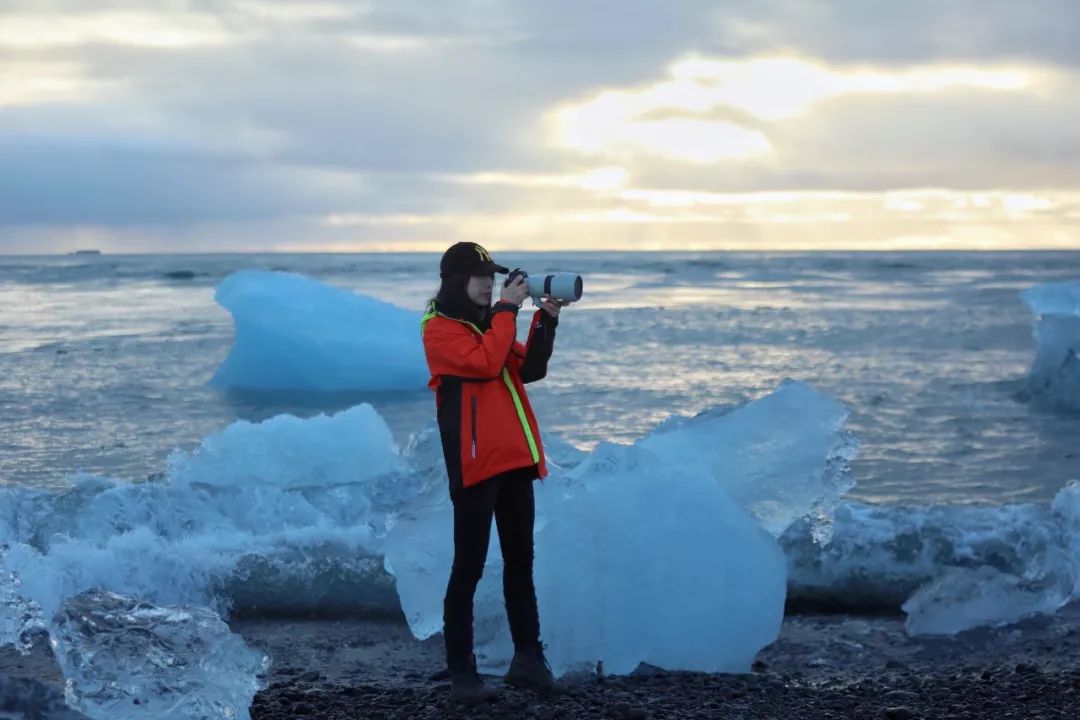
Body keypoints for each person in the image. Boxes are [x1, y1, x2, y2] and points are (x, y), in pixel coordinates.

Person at [420, 242, 568, 703]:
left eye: (492, 277)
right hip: (475, 464)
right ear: (455, 281)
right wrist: (507, 309)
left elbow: (530, 369)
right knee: (468, 568)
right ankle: (463, 676)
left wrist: (545, 319)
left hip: (514, 460)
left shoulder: (488, 325)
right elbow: (485, 365)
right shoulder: (439, 330)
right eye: (480, 277)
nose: (489, 284)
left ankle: (528, 661)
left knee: (521, 562)